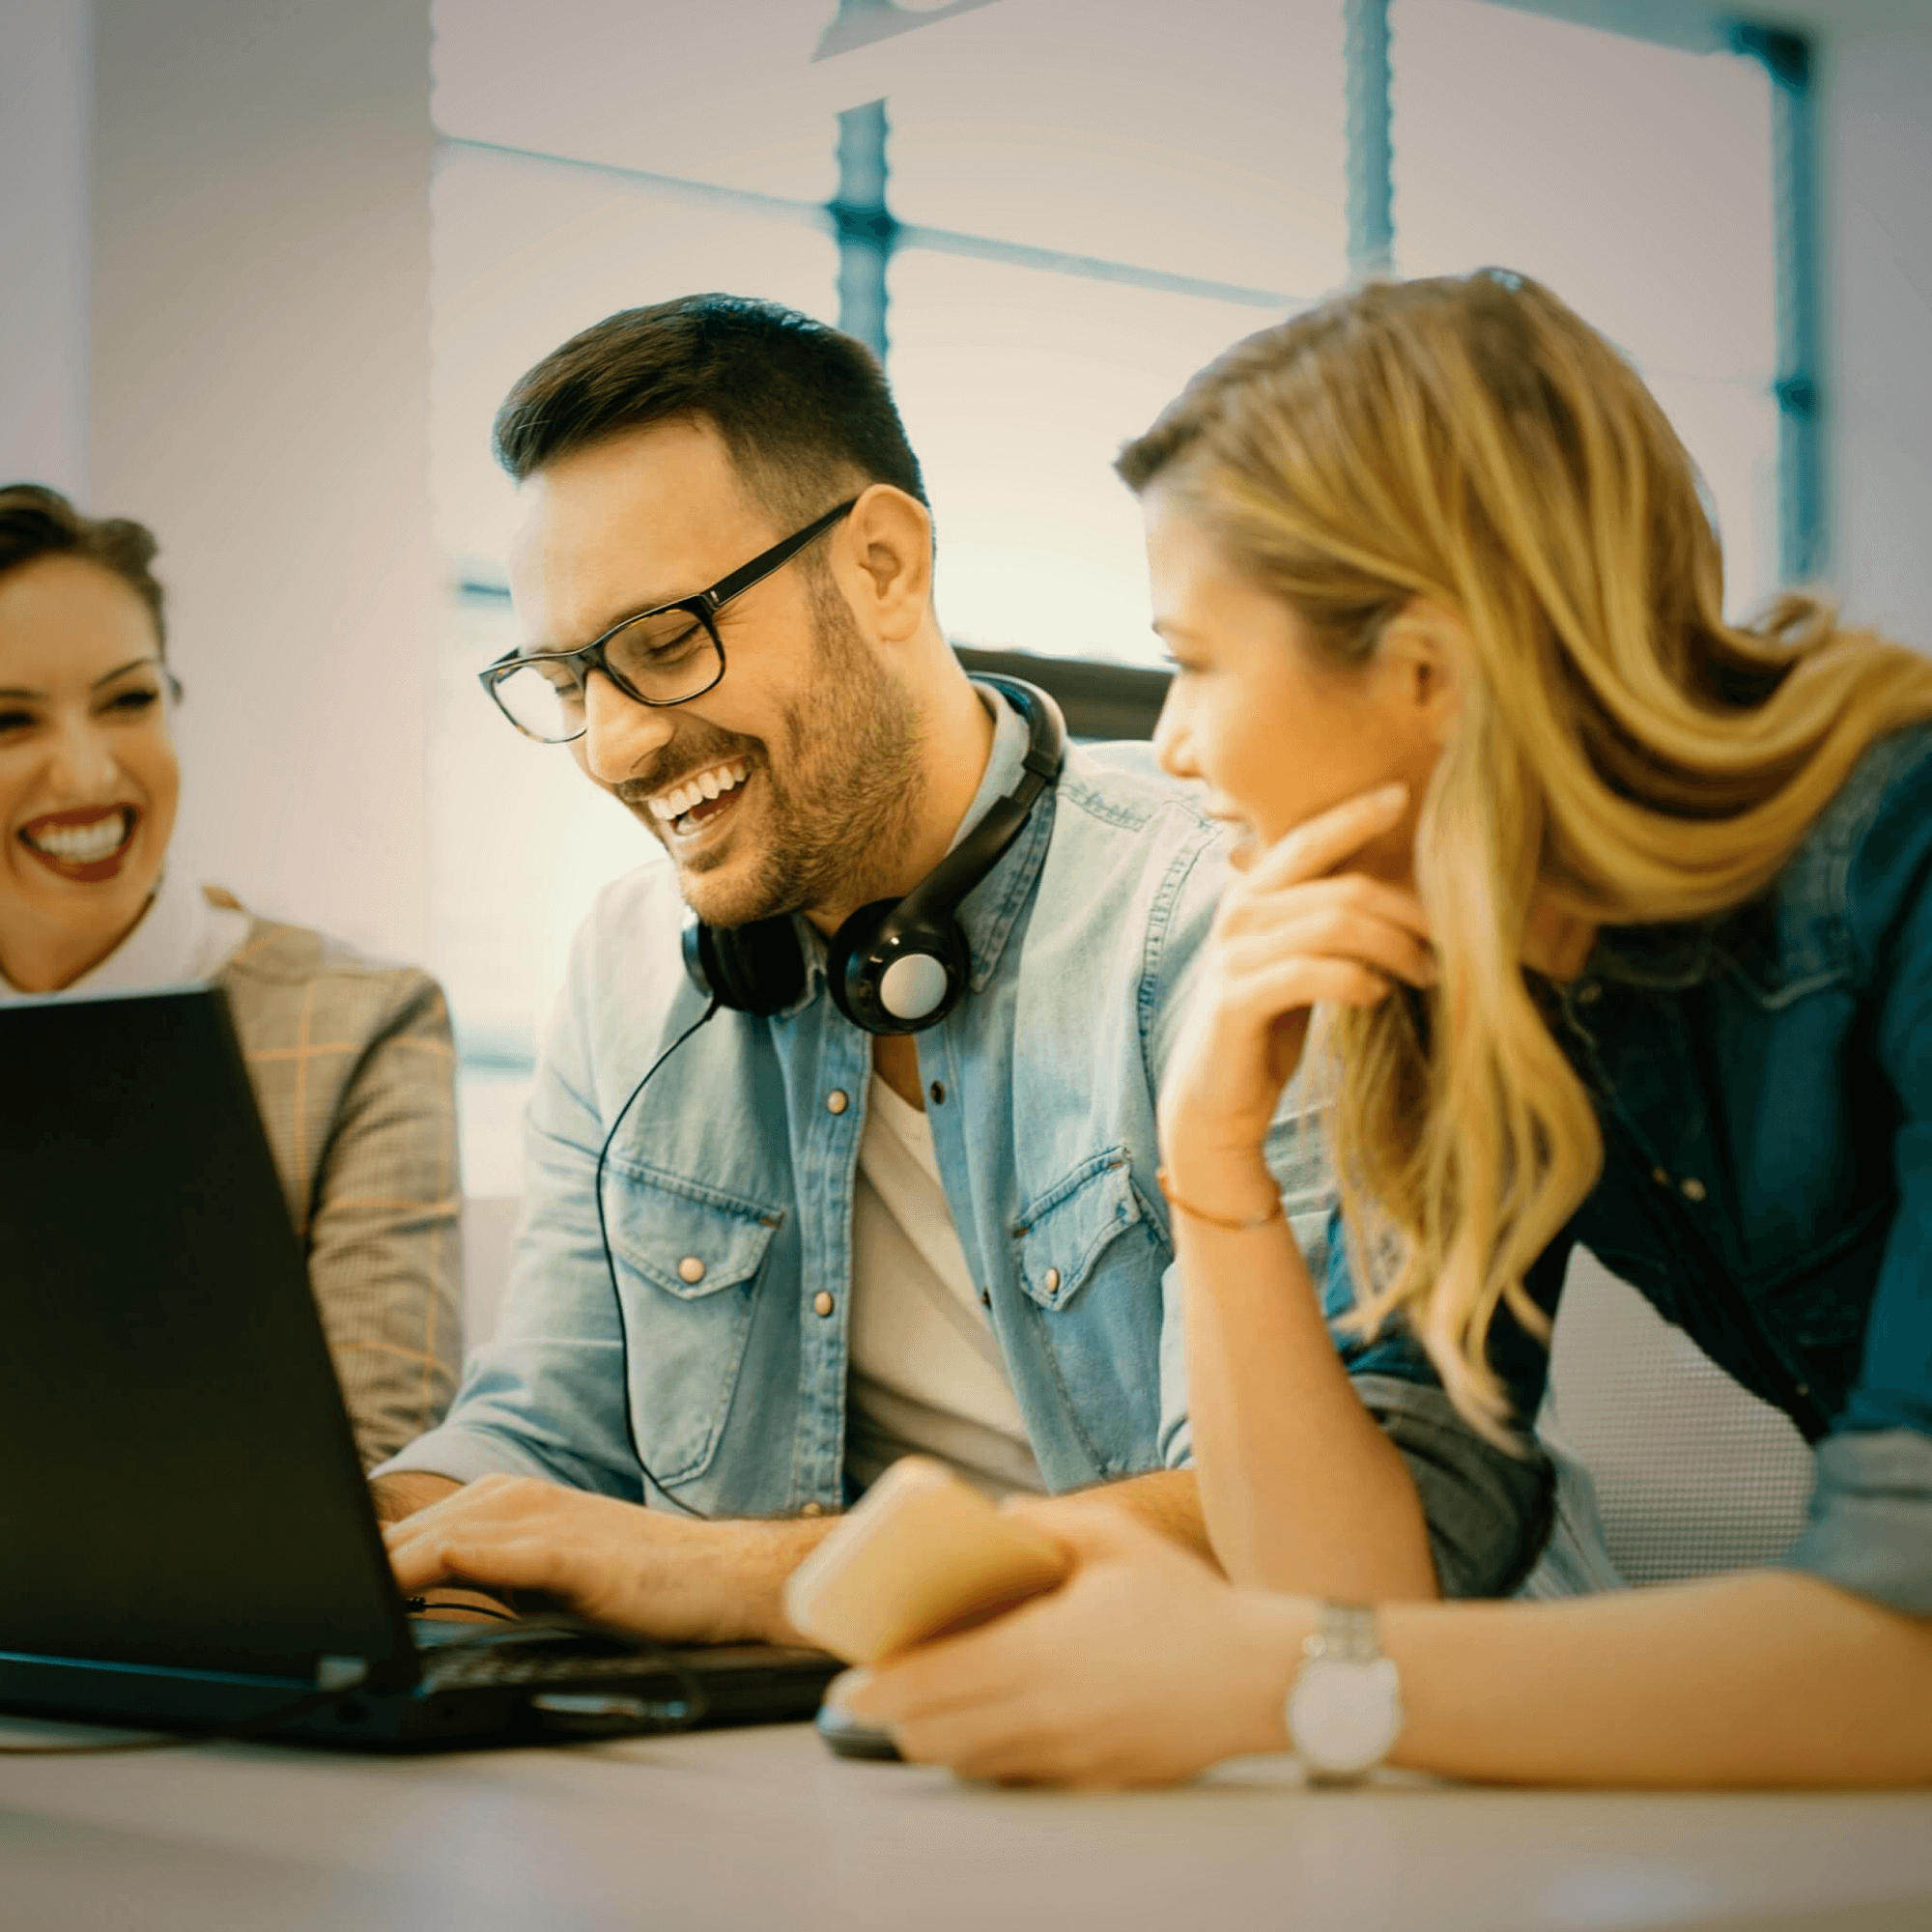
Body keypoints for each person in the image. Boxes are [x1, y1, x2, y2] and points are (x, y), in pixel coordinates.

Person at [838, 270, 1932, 1788]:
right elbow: (1363, 1582)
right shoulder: (1473, 980)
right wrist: (1212, 1168)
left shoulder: (1908, 868)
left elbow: (1907, 1664)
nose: (1168, 742)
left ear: (1427, 672)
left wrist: (1273, 1681)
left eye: (1199, 659)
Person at [376, 295, 1354, 1642]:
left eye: (664, 644)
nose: (611, 746)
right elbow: (549, 1432)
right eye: (565, 682)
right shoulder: (623, 969)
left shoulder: (1219, 910)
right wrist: (344, 1540)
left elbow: (1302, 1522)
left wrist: (716, 1578)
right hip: (864, 1761)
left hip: (1298, 1748)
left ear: (885, 566)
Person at [0, 484, 463, 1469]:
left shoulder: (360, 1024)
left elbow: (377, 1473)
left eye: (128, 699)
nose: (86, 776)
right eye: (9, 721)